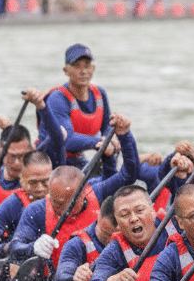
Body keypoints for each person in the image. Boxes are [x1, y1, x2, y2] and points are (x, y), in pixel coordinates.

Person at [8, 113, 140, 266]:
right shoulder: (37, 210)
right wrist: (33, 248)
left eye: (66, 203)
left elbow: (129, 174)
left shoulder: (97, 193)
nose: (61, 210)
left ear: (82, 195)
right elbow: (14, 248)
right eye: (55, 202)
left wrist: (125, 135)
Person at [41, 43, 114, 171]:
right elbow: (67, 140)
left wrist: (111, 140)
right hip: (50, 159)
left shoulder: (100, 93)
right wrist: (100, 143)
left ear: (93, 68)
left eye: (87, 66)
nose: (83, 71)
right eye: (76, 66)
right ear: (66, 71)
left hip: (77, 158)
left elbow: (107, 126)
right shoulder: (57, 98)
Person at [0, 151, 53, 261]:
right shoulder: (13, 204)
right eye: (33, 183)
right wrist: (7, 248)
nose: (40, 188)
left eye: (45, 182)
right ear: (22, 180)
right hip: (22, 264)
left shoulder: (63, 198)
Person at [54, 193, 117, 281]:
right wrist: (75, 275)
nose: (111, 242)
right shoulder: (76, 244)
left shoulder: (137, 235)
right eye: (106, 235)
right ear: (98, 217)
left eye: (117, 238)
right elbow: (62, 275)